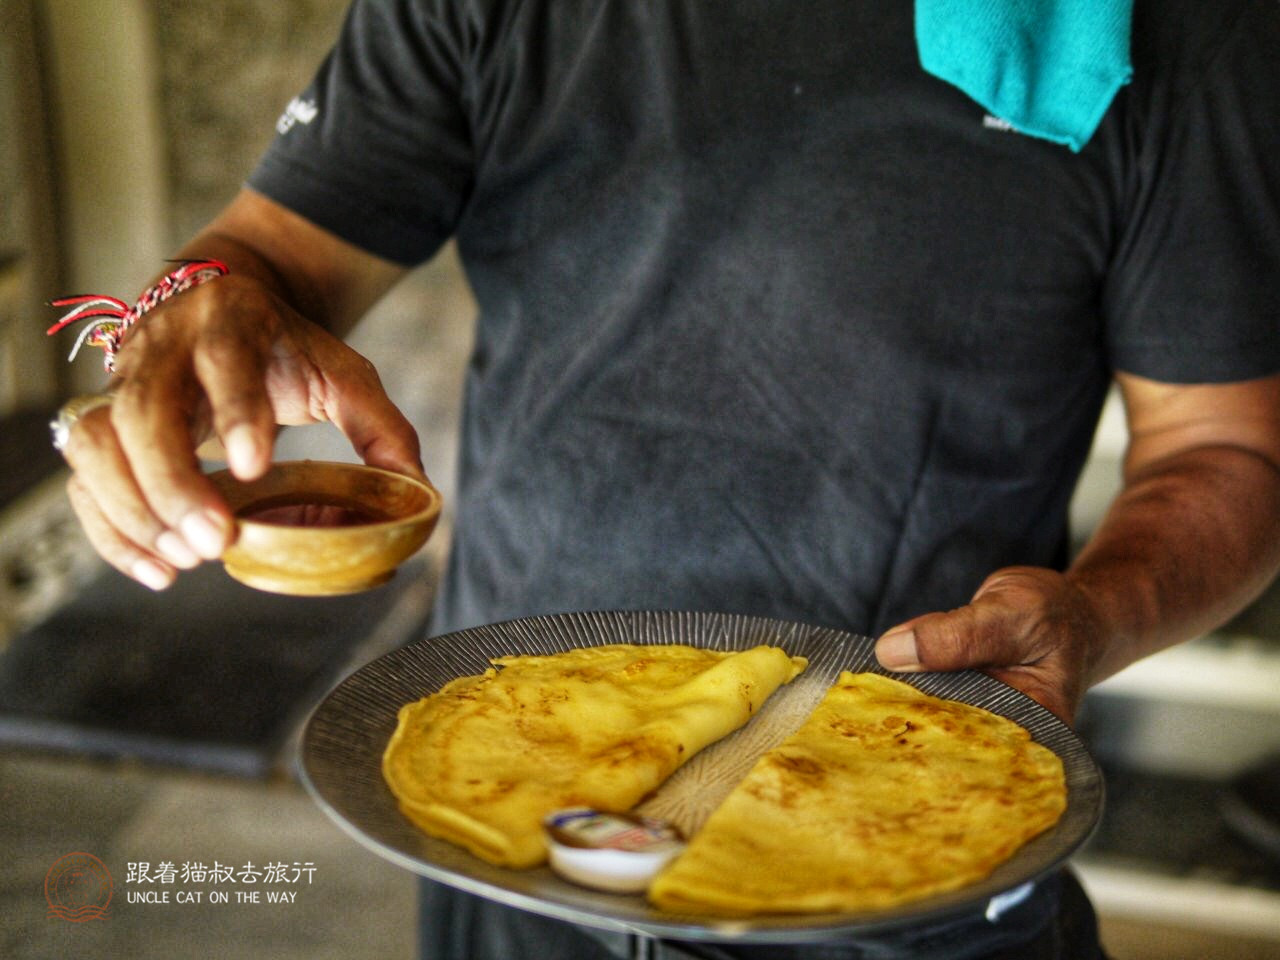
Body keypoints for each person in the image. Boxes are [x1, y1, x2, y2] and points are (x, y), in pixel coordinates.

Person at [49, 0, 1280, 957]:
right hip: (514, 801)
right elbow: (269, 253)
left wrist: (1098, 610)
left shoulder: (1154, 27)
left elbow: (1222, 448)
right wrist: (185, 316)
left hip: (909, 815)